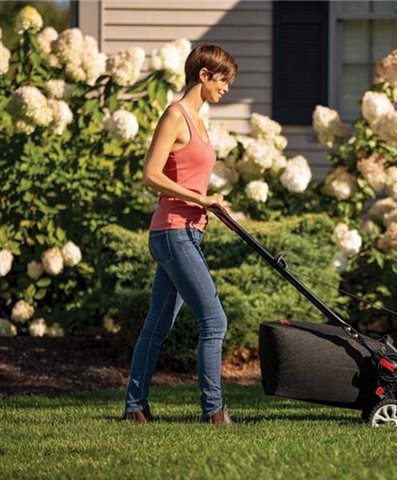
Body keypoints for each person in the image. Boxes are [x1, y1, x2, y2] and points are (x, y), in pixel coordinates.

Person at [123, 44, 238, 424]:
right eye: (223, 81)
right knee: (214, 321)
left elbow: (192, 177)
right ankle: (213, 410)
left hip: (189, 232)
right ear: (204, 75)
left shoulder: (200, 122)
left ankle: (135, 407)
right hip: (173, 233)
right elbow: (151, 175)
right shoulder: (175, 115)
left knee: (156, 324)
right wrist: (200, 199)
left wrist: (210, 205)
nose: (226, 89)